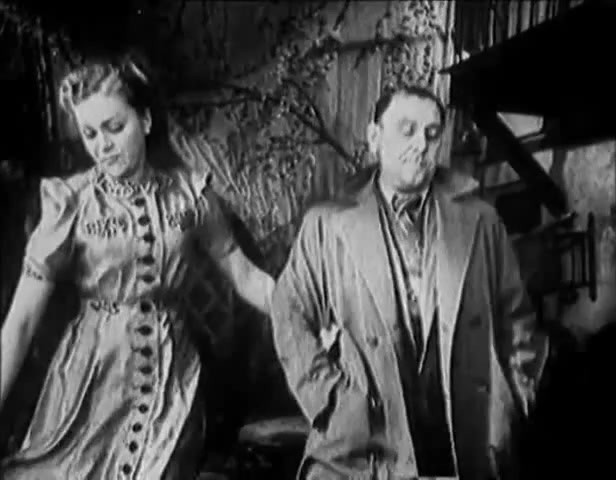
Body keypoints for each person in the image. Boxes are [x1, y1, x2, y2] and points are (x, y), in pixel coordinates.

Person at [0, 50, 274, 479]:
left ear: (144, 121)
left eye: (115, 127)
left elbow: (245, 276)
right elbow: (20, 323)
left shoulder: (191, 195)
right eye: (90, 134)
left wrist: (309, 318)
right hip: (89, 382)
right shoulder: (69, 204)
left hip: (172, 380)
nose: (103, 146)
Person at [270, 85, 549, 480]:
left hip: (462, 436)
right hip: (366, 439)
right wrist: (329, 398)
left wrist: (514, 398)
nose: (421, 144)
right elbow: (289, 312)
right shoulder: (327, 225)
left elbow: (517, 316)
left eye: (432, 134)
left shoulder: (481, 221)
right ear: (374, 137)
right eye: (407, 130)